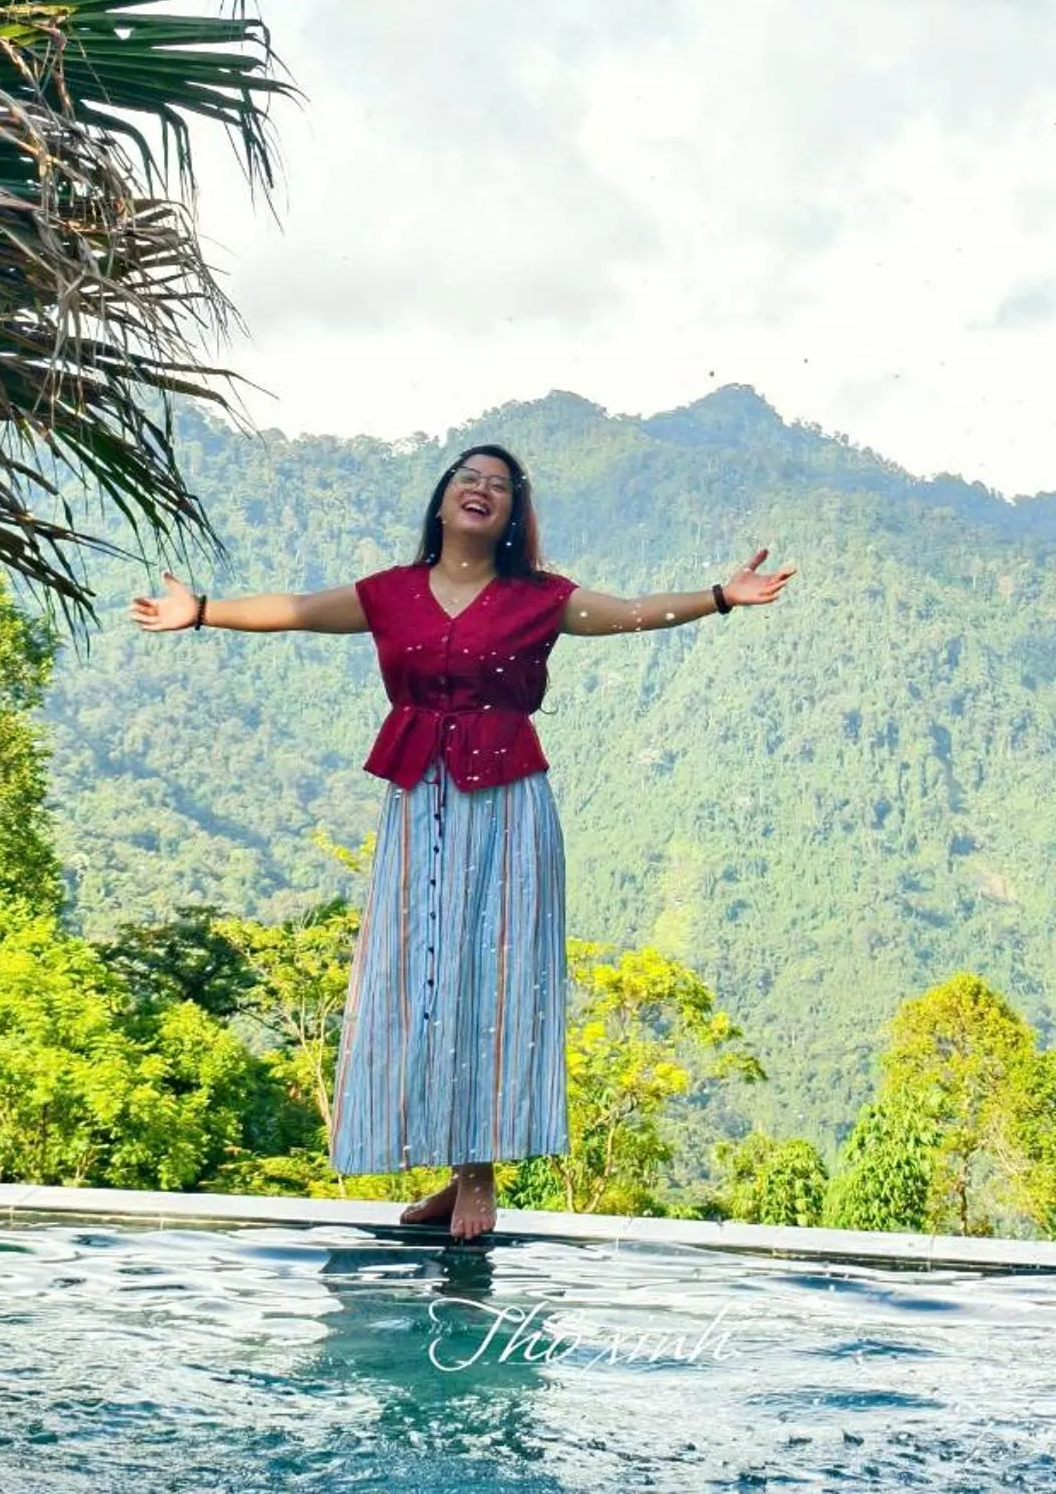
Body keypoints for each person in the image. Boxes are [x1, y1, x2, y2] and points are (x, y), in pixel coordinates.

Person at [130, 441, 794, 1241]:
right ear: (443, 501)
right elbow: (298, 611)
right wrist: (201, 610)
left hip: (508, 806)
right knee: (417, 976)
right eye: (468, 480)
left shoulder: (539, 598)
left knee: (496, 980)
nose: (481, 491)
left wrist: (722, 596)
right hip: (418, 804)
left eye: (499, 487)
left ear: (513, 516)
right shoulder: (392, 595)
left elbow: (632, 612)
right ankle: (443, 1168)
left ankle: (479, 1175)